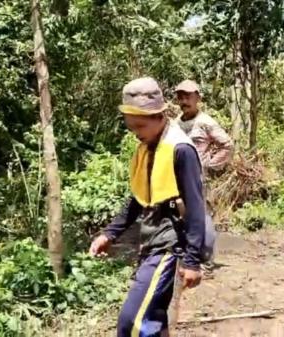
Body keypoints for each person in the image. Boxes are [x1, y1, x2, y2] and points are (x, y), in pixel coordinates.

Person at [89, 77, 206, 337]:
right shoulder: (146, 148)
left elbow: (197, 207)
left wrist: (192, 260)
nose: (136, 133)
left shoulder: (180, 149)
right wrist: (110, 233)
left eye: (140, 125)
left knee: (133, 322)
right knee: (155, 319)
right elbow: (137, 199)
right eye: (132, 128)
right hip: (150, 243)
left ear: (159, 116)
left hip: (170, 245)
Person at [174, 79, 234, 276]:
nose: (184, 100)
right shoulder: (176, 123)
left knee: (201, 216)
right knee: (183, 216)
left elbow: (227, 145)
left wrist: (208, 165)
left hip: (198, 177)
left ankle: (207, 261)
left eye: (188, 96)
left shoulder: (206, 122)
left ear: (198, 97)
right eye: (181, 96)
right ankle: (189, 256)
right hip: (177, 178)